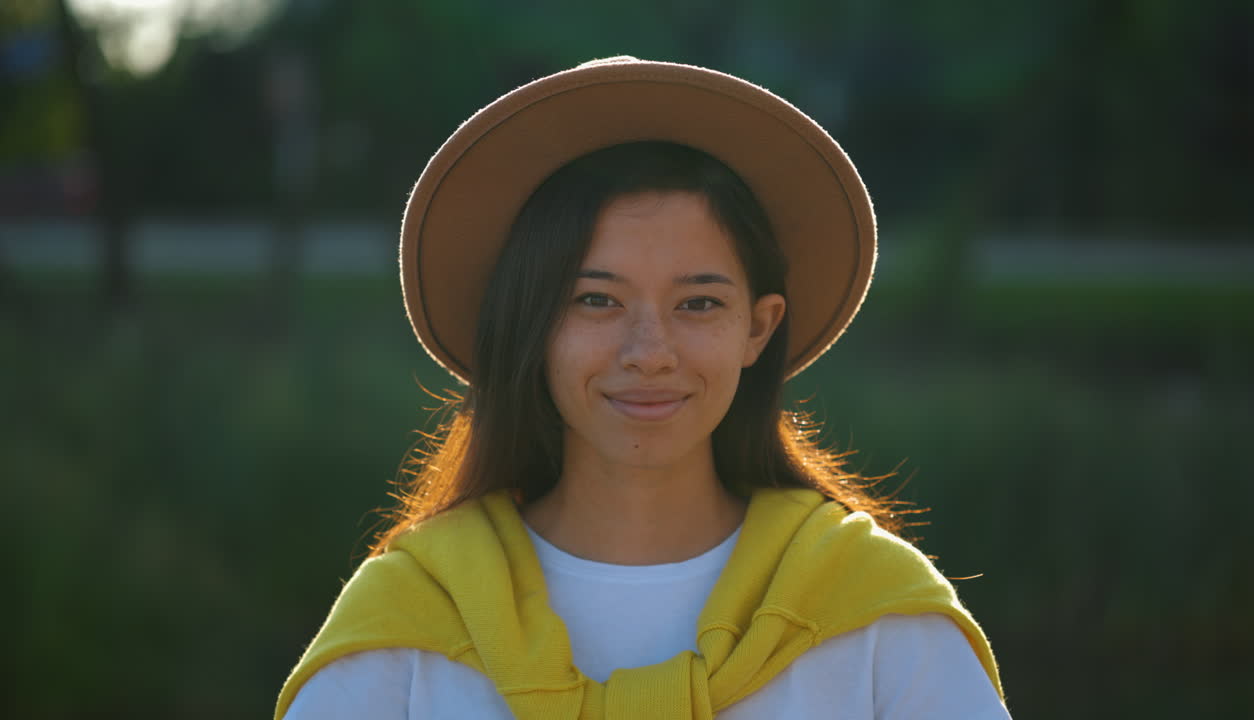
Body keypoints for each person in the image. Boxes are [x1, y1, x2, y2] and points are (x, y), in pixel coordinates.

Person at [275, 57, 1009, 719]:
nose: (650, 353)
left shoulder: (875, 615)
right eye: (596, 300)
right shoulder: (410, 619)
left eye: (698, 304)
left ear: (759, 327)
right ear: (532, 324)